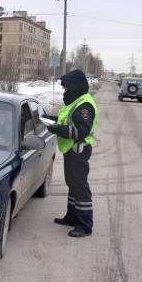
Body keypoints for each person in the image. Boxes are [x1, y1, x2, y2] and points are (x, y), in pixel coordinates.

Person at [45, 69, 98, 238]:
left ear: (74, 87)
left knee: (80, 187)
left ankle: (84, 225)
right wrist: (50, 120)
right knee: (72, 184)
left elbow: (81, 131)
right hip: (72, 151)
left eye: (66, 88)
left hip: (79, 150)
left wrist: (58, 129)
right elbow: (65, 121)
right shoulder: (76, 101)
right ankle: (72, 217)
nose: (64, 91)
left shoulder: (84, 105)